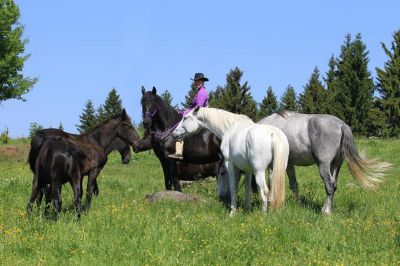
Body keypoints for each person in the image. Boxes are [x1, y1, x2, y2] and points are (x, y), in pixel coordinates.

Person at [168, 73, 209, 159]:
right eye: (195, 81)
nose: (195, 82)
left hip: (198, 118)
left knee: (179, 131)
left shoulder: (202, 93)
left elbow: (198, 108)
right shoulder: (200, 91)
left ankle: (179, 154)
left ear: (201, 81)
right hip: (196, 116)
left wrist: (185, 112)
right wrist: (184, 111)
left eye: (197, 81)